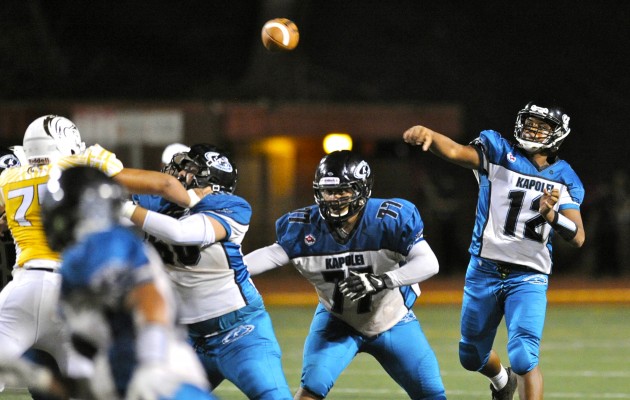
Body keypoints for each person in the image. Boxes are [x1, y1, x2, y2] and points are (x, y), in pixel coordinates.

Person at [0, 115, 209, 395]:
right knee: (96, 378)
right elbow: (165, 185)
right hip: (70, 287)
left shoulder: (9, 177)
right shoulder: (83, 169)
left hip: (21, 288)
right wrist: (195, 201)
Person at [402, 102, 585, 400]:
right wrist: (431, 136)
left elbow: (578, 236)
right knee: (471, 355)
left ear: (558, 134)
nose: (533, 130)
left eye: (542, 127)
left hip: (528, 275)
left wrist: (552, 216)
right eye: (530, 123)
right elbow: (455, 151)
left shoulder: (564, 177)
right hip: (484, 269)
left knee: (524, 355)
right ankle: (502, 380)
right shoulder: (499, 152)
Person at [244, 150, 447, 400]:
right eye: (328, 191)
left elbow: (429, 263)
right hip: (337, 320)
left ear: (362, 189)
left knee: (432, 393)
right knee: (312, 388)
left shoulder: (388, 220)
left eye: (343, 191)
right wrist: (228, 270)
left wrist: (382, 280)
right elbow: (271, 255)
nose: (334, 198)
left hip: (393, 319)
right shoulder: (303, 227)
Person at [124, 143, 293, 400]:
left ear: (210, 179)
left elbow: (180, 233)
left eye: (189, 170)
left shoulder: (231, 206)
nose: (179, 175)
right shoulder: (159, 203)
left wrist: (124, 208)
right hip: (187, 337)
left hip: (239, 331)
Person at [30, 165, 211, 399]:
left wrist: (152, 363)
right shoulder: (73, 267)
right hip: (127, 382)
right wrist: (37, 378)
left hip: (164, 379)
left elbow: (146, 296)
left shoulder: (108, 243)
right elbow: (102, 370)